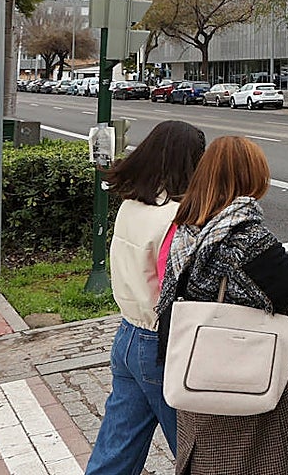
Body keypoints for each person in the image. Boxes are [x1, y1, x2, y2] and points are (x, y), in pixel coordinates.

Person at [155, 136, 288, 475]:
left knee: (204, 461)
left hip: (194, 370)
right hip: (248, 375)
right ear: (252, 179)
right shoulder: (247, 237)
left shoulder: (186, 229)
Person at [85, 121, 206, 475]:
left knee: (116, 453)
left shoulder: (133, 203)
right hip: (160, 344)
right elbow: (178, 286)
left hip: (127, 336)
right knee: (196, 454)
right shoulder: (176, 217)